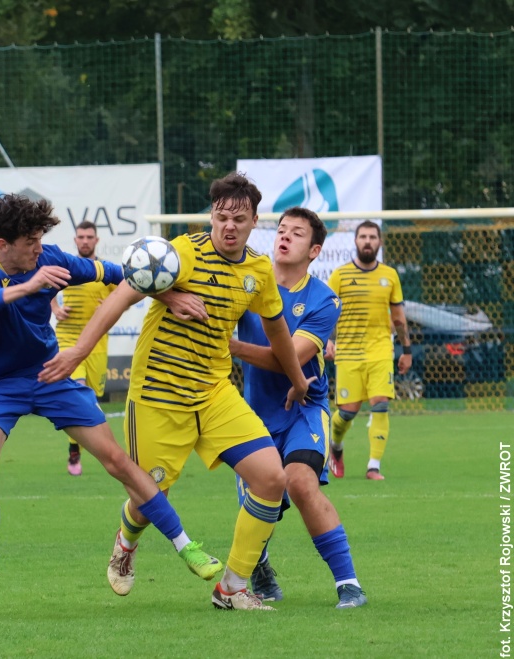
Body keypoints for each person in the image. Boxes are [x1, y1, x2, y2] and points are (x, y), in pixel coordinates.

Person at [41, 172, 313, 611]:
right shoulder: (180, 252)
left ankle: (233, 587)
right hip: (158, 395)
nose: (228, 226)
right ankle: (125, 545)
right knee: (150, 499)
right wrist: (78, 352)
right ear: (211, 215)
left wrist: (299, 381)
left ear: (254, 222)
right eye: (221, 217)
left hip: (214, 392)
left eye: (238, 219)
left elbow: (277, 330)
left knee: (270, 478)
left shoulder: (259, 270)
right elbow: (121, 296)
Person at [0, 193, 223, 607]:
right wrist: (29, 286)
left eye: (40, 238)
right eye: (30, 241)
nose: (39, 247)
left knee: (117, 460)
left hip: (51, 375)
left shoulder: (52, 258)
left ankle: (185, 544)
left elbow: (120, 274)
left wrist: (167, 295)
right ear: (3, 245)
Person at [229, 207, 367, 609]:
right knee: (261, 505)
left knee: (300, 481)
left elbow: (287, 356)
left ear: (315, 250)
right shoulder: (249, 284)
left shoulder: (324, 300)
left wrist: (234, 347)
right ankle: (260, 565)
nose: (285, 237)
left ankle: (349, 584)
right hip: (252, 415)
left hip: (305, 408)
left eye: (297, 233)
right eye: (281, 230)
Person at [325, 220, 412, 480]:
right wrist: (327, 340)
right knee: (347, 413)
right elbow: (328, 313)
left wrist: (407, 350)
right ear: (355, 241)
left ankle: (373, 466)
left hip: (381, 351)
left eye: (372, 237)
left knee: (380, 405)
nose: (367, 241)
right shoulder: (339, 275)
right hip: (348, 353)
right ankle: (336, 447)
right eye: (363, 236)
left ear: (379, 242)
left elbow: (398, 317)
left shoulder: (390, 275)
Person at [50, 220, 116, 476]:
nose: (85, 240)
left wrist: (110, 305)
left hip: (97, 344)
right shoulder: (67, 268)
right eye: (81, 236)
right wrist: (55, 308)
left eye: (90, 236)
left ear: (96, 240)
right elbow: (46, 289)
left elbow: (126, 296)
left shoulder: (105, 271)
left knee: (90, 399)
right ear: (75, 240)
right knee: (77, 392)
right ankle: (77, 451)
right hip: (68, 340)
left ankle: (76, 445)